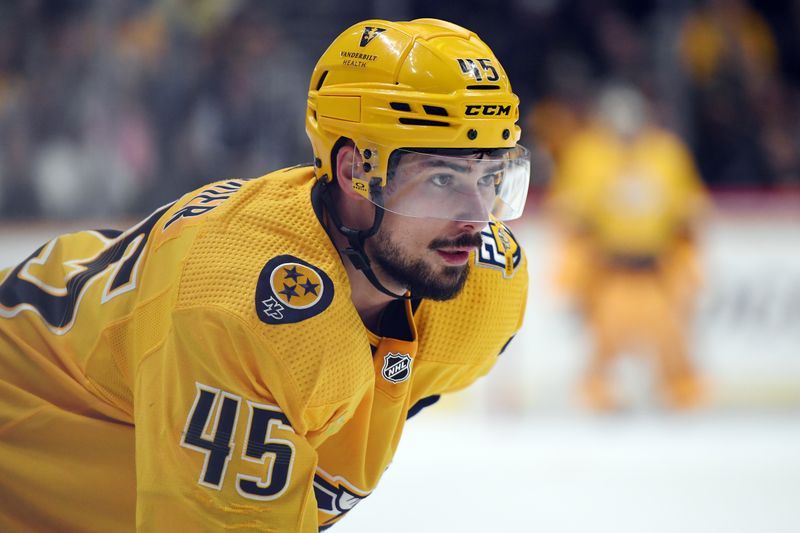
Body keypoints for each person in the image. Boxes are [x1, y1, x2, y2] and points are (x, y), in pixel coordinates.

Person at [0, 18, 530, 531]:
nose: (477, 217)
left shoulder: (481, 289)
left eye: (490, 176)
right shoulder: (241, 312)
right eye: (442, 178)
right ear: (353, 172)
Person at [545, 84, 708, 411]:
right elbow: (566, 208)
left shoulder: (666, 152)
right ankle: (598, 393)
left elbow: (691, 205)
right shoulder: (587, 152)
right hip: (611, 270)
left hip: (655, 268)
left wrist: (681, 226)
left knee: (670, 337)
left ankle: (682, 393)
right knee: (605, 340)